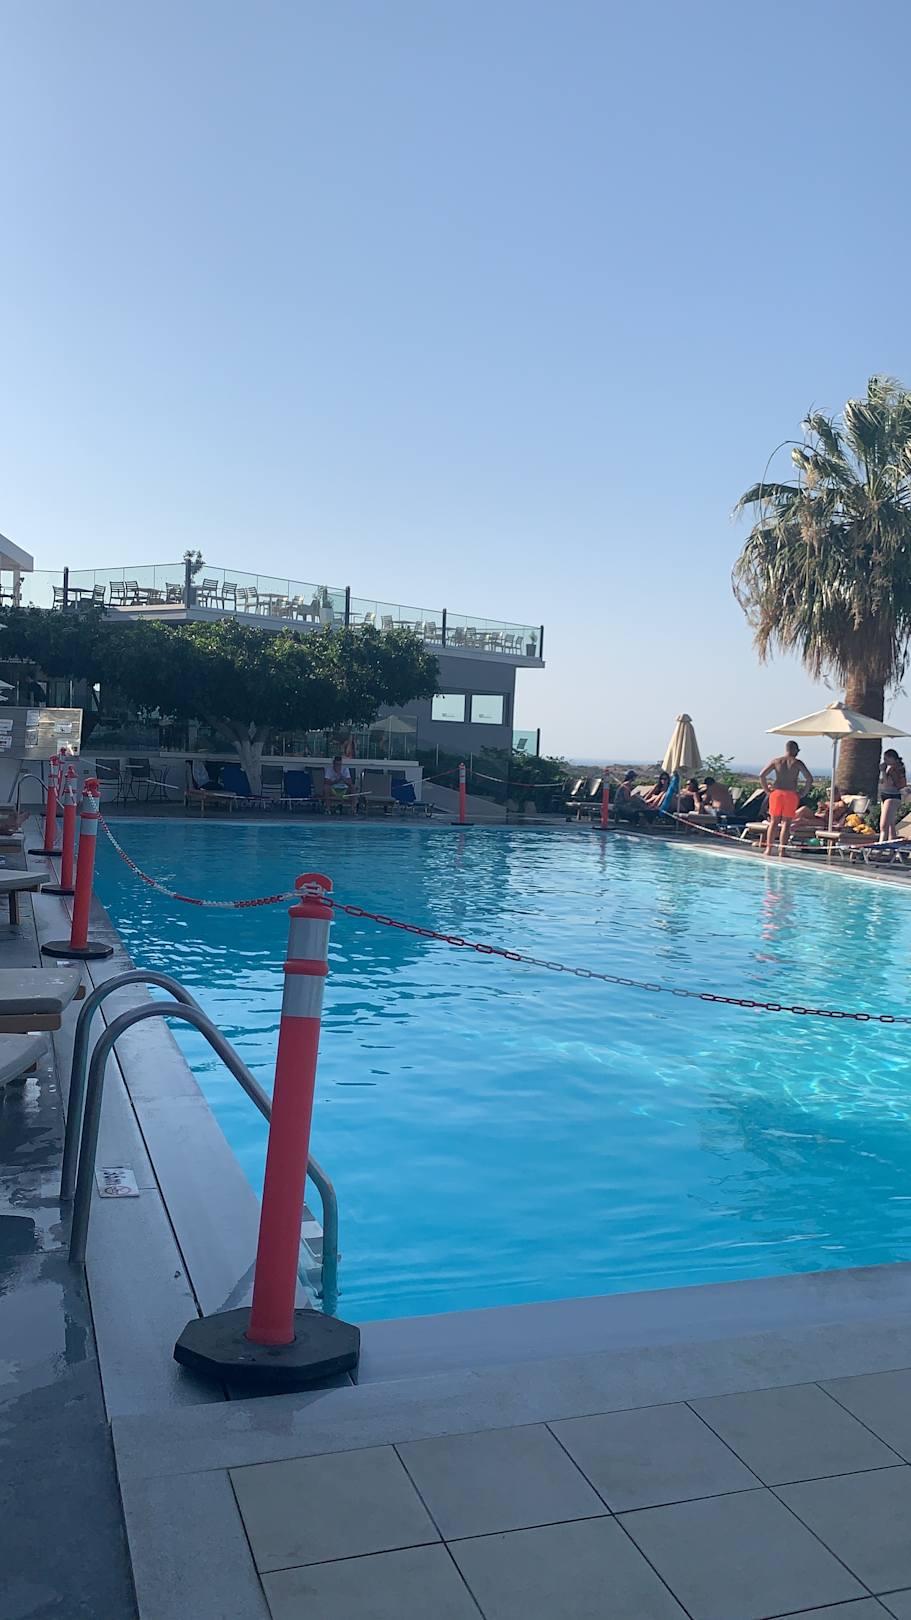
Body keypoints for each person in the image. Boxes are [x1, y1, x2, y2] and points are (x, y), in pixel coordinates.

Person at [759, 740, 814, 855]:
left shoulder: (776, 761)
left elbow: (762, 775)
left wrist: (767, 791)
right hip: (790, 794)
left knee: (773, 822)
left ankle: (768, 849)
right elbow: (809, 779)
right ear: (794, 750)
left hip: (776, 794)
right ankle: (782, 850)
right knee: (786, 823)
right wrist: (803, 792)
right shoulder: (797, 763)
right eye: (797, 750)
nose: (798, 753)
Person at [879, 748, 907, 842]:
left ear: (892, 758)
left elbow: (888, 783)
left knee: (884, 825)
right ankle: (891, 845)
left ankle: (881, 845)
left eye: (886, 759)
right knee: (891, 825)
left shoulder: (894, 769)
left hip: (891, 797)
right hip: (886, 795)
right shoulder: (893, 768)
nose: (885, 761)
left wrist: (883, 771)